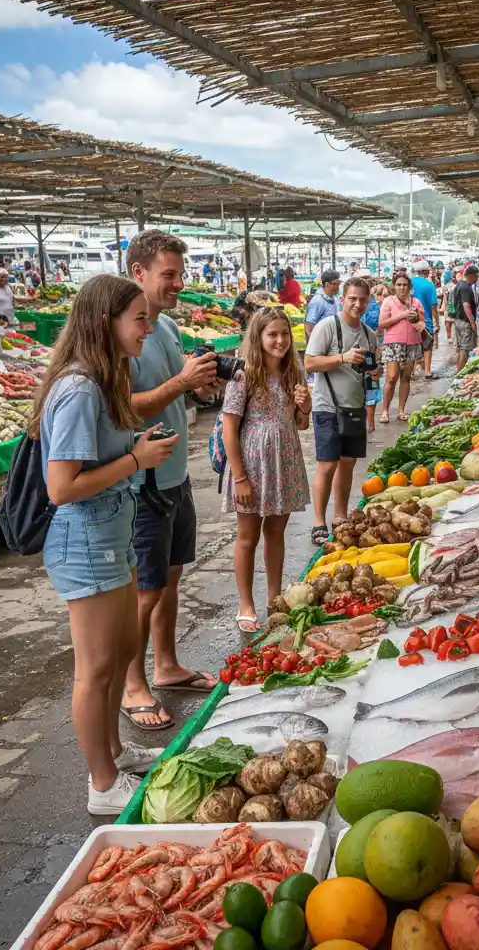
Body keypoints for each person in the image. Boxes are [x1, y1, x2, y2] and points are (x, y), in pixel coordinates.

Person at [31, 274, 179, 814]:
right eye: (138, 319)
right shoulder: (77, 388)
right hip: (85, 541)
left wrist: (135, 447)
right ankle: (100, 784)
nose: (149, 326)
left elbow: (101, 456)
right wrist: (135, 461)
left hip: (112, 532)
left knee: (120, 653)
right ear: (104, 322)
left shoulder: (104, 379)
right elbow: (62, 486)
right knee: (94, 670)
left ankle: (115, 752)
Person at [122, 231, 224, 732]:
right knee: (145, 587)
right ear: (138, 273)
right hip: (142, 481)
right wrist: (180, 383)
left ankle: (166, 664)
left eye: (181, 274)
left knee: (172, 577)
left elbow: (168, 395)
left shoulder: (166, 329)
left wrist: (199, 385)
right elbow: (126, 407)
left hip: (176, 474)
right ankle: (132, 683)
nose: (179, 284)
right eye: (170, 275)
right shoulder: (124, 335)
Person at [221, 309, 311, 631]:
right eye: (272, 334)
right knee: (247, 536)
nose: (280, 340)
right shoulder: (243, 375)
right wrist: (240, 477)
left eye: (284, 334)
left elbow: (300, 425)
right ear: (258, 338)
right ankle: (246, 603)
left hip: (283, 461)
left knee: (275, 533)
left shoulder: (293, 373)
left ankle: (274, 598)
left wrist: (305, 407)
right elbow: (228, 430)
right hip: (252, 463)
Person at [304, 278, 379, 546]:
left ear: (368, 301)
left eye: (362, 299)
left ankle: (339, 516)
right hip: (328, 407)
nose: (357, 304)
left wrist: (374, 369)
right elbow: (310, 363)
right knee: (327, 465)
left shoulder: (370, 334)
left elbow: (372, 370)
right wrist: (342, 358)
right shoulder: (328, 327)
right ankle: (318, 522)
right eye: (352, 299)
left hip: (355, 407)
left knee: (347, 463)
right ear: (343, 299)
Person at [378, 274, 425, 424]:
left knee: (406, 377)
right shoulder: (388, 301)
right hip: (393, 343)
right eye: (398, 284)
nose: (402, 287)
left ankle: (401, 410)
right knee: (392, 376)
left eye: (404, 285)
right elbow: (382, 323)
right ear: (394, 286)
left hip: (412, 343)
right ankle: (385, 410)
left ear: (409, 287)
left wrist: (417, 321)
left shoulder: (416, 302)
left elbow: (422, 323)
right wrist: (402, 315)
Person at [361, 278, 384, 432]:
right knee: (372, 386)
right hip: (372, 351)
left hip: (366, 351)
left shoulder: (365, 307)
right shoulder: (375, 306)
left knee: (368, 387)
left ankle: (368, 425)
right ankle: (370, 424)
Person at [411, 263, 440, 380]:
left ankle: (411, 372)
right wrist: (436, 322)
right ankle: (427, 372)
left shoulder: (408, 282)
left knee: (412, 346)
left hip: (410, 319)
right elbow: (433, 306)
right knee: (427, 346)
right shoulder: (429, 285)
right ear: (426, 272)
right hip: (426, 320)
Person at [452, 264, 479, 371]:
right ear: (471, 275)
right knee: (465, 348)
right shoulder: (466, 288)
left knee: (460, 348)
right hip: (465, 322)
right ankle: (461, 371)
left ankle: (458, 369)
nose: (477, 279)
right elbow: (466, 305)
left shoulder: (459, 285)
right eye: (476, 276)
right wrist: (472, 322)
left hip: (458, 320)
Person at [304, 269, 342, 342]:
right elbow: (309, 328)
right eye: (335, 284)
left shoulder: (335, 299)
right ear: (327, 284)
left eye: (338, 284)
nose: (337, 287)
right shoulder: (317, 301)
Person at [440, 269, 458, 343]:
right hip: (455, 306)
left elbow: (445, 298)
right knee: (455, 321)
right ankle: (455, 336)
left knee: (447, 322)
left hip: (447, 306)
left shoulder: (445, 287)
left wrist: (445, 306)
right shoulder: (455, 286)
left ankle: (449, 336)